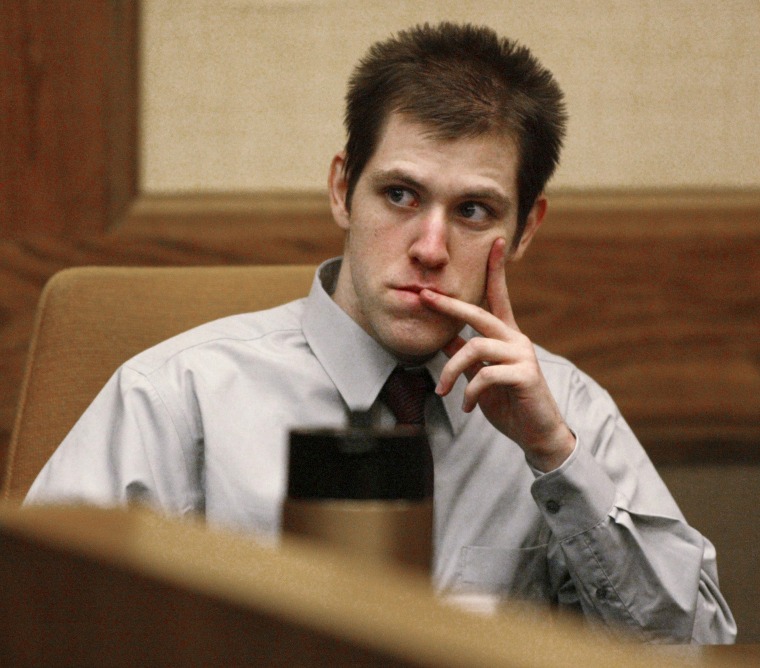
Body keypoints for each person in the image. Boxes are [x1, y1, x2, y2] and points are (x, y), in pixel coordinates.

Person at [25, 22, 735, 643]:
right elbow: (34, 625)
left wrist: (556, 458)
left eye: (475, 211)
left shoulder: (566, 412)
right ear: (342, 189)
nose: (429, 246)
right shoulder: (179, 396)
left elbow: (695, 650)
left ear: (525, 230)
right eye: (400, 194)